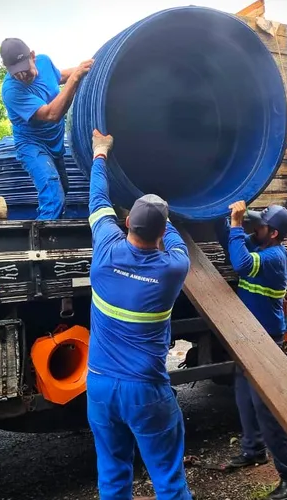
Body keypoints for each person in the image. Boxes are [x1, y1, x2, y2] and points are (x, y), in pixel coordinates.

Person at [84, 129, 193, 500]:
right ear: (161, 232)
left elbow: (97, 199)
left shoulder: (104, 251)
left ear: (126, 222)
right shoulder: (172, 269)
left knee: (112, 474)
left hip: (99, 385)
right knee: (167, 477)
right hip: (144, 390)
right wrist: (166, 211)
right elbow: (176, 241)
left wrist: (100, 154)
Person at [217, 201, 287, 500]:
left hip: (265, 340)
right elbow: (227, 239)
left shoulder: (273, 256)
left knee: (266, 409)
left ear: (272, 233)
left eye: (257, 225)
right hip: (248, 335)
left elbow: (241, 264)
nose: (251, 228)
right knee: (243, 394)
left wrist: (234, 225)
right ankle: (253, 450)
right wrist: (226, 215)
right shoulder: (258, 243)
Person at [0, 38, 94, 219]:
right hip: (32, 145)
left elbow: (60, 76)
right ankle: (41, 244)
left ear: (33, 56)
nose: (22, 76)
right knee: (52, 194)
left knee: (62, 190)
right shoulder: (11, 91)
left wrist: (89, 68)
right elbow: (52, 114)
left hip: (55, 144)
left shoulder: (44, 61)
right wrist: (75, 78)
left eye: (24, 69)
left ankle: (51, 232)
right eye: (16, 73)